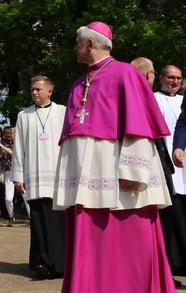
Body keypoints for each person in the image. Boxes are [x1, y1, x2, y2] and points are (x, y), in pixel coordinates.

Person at [55, 22, 173, 293]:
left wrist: (133, 173)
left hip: (117, 177)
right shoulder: (78, 83)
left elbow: (139, 124)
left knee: (130, 243)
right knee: (89, 241)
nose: (74, 47)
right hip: (86, 181)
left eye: (77, 42)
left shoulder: (126, 73)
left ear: (90, 44)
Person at [11, 76, 65, 278]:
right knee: (38, 219)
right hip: (34, 175)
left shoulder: (63, 112)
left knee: (59, 220)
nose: (34, 92)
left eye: (38, 89)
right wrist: (18, 176)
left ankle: (61, 264)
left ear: (49, 91)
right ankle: (41, 262)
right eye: (32, 89)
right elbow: (18, 148)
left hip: (58, 174)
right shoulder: (24, 115)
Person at [155, 65, 186, 280]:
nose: (174, 81)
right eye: (171, 77)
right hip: (168, 163)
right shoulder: (154, 99)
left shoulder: (183, 98)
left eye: (178, 78)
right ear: (161, 78)